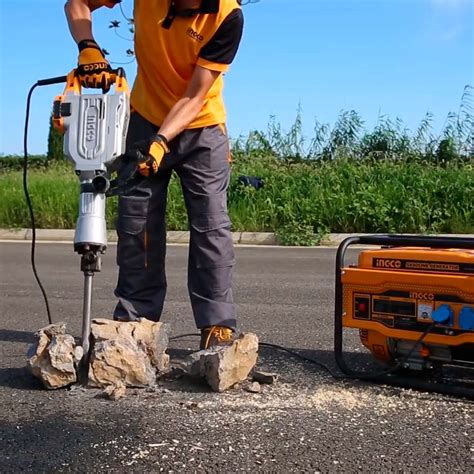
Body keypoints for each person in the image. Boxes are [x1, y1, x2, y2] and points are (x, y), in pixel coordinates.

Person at [64, 0, 244, 349]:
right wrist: (88, 46)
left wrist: (162, 141)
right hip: (144, 117)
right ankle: (136, 322)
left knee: (210, 226)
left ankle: (217, 326)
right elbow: (78, 3)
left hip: (201, 127)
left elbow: (194, 95)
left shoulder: (227, 15)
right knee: (137, 225)